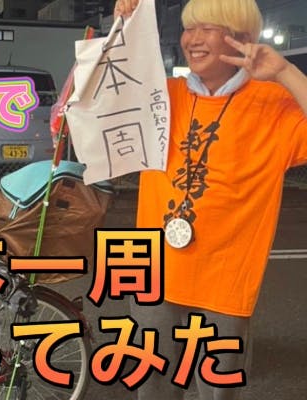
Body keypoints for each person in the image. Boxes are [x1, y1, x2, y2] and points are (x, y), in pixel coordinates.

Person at [109, 0, 307, 399]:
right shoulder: (162, 96)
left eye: (208, 29)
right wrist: (122, 32)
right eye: (189, 28)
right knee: (152, 387)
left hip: (226, 281)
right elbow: (93, 106)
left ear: (241, 38)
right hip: (154, 273)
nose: (193, 39)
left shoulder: (273, 103)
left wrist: (285, 72)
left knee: (218, 391)